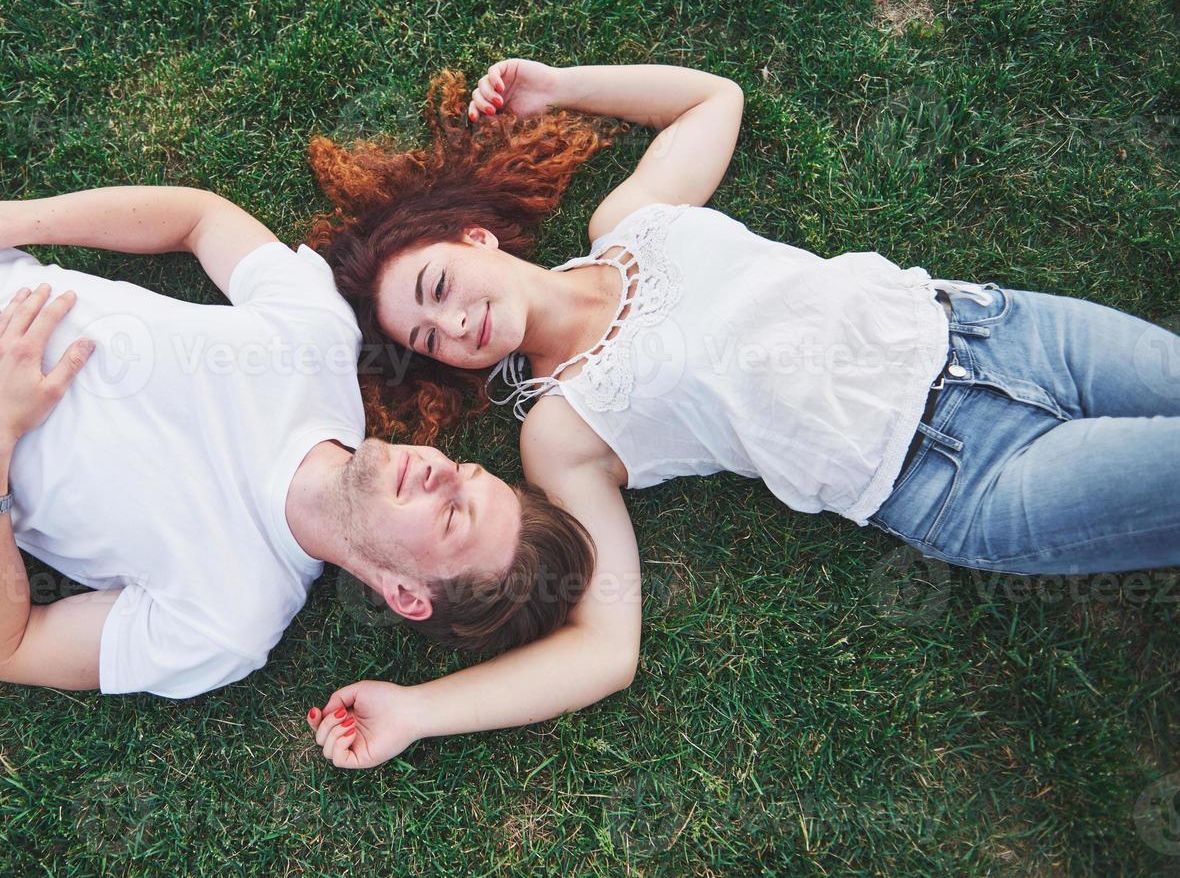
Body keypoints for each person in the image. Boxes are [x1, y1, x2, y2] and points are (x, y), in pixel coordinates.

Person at [300, 58, 1180, 767]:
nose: (454, 322)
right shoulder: (562, 432)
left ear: (474, 238)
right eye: (432, 337)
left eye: (440, 286)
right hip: (961, 479)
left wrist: (562, 86)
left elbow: (711, 101)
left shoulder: (631, 222)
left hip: (1001, 328)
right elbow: (606, 647)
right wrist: (416, 713)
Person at [0, 0, 595, 700]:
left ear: (406, 597)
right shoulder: (319, 342)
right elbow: (197, 218)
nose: (443, 475)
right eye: (469, 479)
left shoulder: (229, 621)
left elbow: (2, 648)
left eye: (451, 519)